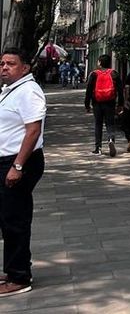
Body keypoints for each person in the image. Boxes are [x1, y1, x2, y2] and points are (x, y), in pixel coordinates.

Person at [0, 48, 46, 297]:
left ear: (25, 68)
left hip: (19, 162)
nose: (4, 68)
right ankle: (12, 269)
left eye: (11, 64)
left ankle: (19, 277)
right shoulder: (12, 90)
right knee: (6, 218)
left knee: (15, 219)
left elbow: (33, 131)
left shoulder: (29, 91)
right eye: (2, 63)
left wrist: (17, 166)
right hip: (7, 160)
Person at [84, 55, 123, 157]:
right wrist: (120, 104)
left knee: (98, 124)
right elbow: (120, 90)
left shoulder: (94, 74)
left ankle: (98, 148)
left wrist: (87, 104)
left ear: (100, 63)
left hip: (97, 103)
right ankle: (111, 139)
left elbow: (89, 90)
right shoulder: (114, 73)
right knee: (110, 123)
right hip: (110, 102)